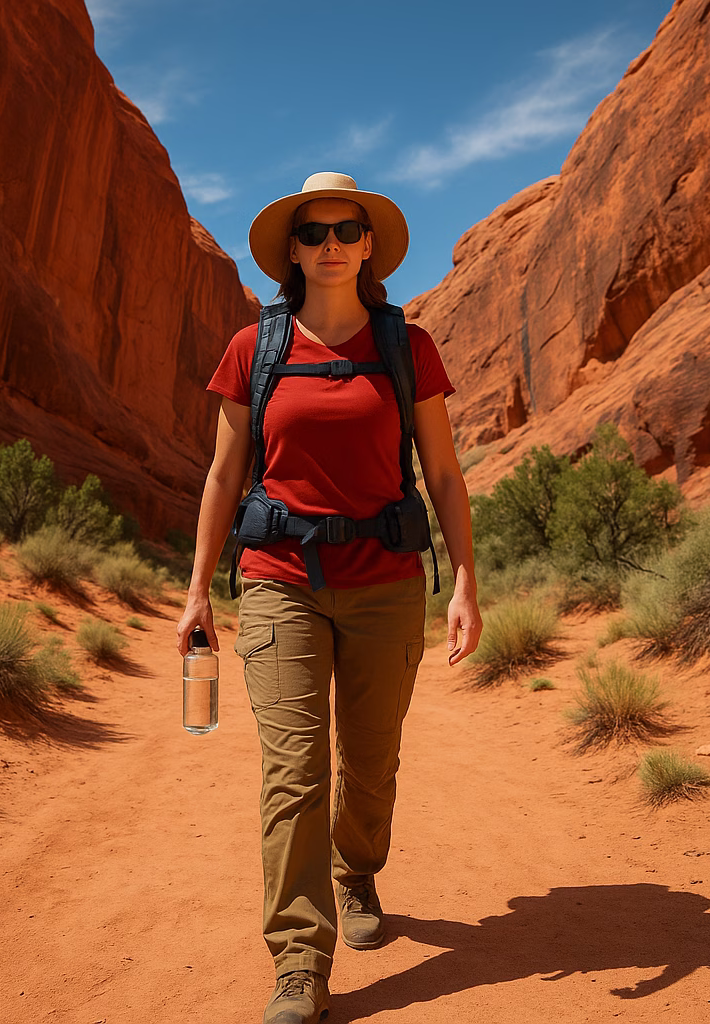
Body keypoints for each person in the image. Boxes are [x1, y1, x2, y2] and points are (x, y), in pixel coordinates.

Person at [176, 171, 482, 1024]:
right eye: (315, 232)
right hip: (280, 583)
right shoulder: (256, 348)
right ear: (294, 251)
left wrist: (463, 579)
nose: (333, 244)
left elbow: (445, 474)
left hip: (385, 584)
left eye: (349, 228)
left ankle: (355, 869)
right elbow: (223, 473)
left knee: (372, 766)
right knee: (294, 772)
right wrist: (198, 590)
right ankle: (299, 964)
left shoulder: (406, 347)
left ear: (370, 244)